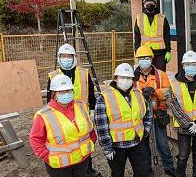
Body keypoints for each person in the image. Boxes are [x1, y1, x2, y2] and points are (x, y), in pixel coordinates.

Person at [46, 43, 100, 177]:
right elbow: (49, 100)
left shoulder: (84, 73)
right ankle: (68, 168)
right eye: (63, 56)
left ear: (74, 57)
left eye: (68, 56)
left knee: (84, 142)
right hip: (62, 116)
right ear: (59, 58)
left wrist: (92, 111)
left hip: (82, 116)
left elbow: (91, 95)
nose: (66, 58)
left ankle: (87, 167)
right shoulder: (53, 76)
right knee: (67, 143)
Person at [30, 74, 96, 177]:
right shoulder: (44, 115)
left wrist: (92, 140)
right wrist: (46, 156)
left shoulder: (82, 106)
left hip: (82, 160)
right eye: (61, 92)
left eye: (68, 90)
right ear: (54, 94)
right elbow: (35, 139)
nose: (66, 94)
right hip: (60, 166)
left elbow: (89, 128)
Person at [94, 63, 152, 177]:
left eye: (128, 78)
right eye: (122, 77)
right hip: (117, 146)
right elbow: (101, 127)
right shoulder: (104, 98)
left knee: (142, 172)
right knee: (117, 174)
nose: (126, 80)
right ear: (116, 78)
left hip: (137, 142)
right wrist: (107, 148)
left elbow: (147, 115)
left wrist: (145, 131)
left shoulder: (138, 94)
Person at [165, 51, 196, 177]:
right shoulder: (175, 83)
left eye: (194, 64)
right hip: (184, 127)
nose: (191, 67)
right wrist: (188, 124)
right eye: (188, 64)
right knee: (183, 155)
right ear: (183, 65)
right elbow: (175, 107)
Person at [133, 46, 176, 176]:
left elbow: (168, 93)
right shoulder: (132, 77)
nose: (144, 60)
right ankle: (147, 169)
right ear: (138, 60)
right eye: (141, 58)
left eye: (146, 58)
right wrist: (141, 93)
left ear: (151, 59)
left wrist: (155, 92)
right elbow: (129, 96)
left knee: (162, 143)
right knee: (144, 145)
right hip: (141, 116)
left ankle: (168, 166)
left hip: (157, 114)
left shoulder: (161, 75)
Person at [134, 0, 172, 71]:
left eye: (152, 2)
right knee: (147, 75)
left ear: (155, 4)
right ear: (144, 4)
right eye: (147, 2)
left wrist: (168, 51)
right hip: (145, 53)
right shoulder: (139, 18)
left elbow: (167, 36)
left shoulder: (162, 18)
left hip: (160, 53)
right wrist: (137, 51)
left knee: (160, 75)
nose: (150, 4)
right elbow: (137, 37)